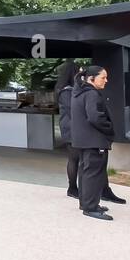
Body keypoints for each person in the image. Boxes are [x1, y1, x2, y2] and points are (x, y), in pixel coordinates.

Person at [69, 65, 116, 220]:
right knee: (93, 174)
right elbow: (95, 117)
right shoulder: (91, 94)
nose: (106, 81)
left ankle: (86, 203)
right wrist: (110, 129)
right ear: (91, 79)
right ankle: (91, 208)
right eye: (103, 77)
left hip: (83, 140)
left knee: (85, 173)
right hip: (94, 140)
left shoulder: (78, 92)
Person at [55, 62, 81, 198]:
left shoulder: (65, 90)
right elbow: (74, 110)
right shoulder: (67, 91)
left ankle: (74, 188)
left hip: (69, 126)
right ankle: (72, 188)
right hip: (71, 128)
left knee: (74, 159)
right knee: (74, 159)